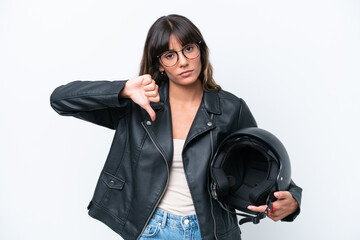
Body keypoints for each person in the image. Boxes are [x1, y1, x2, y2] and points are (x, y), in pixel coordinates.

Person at [50, 14, 302, 240]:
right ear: (159, 64)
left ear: (201, 51)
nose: (183, 61)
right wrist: (123, 89)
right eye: (170, 55)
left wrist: (292, 202)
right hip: (151, 229)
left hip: (209, 231)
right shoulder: (138, 103)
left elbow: (261, 165)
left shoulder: (231, 108)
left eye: (189, 49)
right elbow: (60, 100)